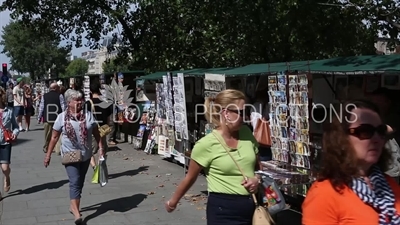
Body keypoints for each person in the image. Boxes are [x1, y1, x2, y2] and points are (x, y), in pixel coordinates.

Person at [165, 89, 261, 225]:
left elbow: (259, 168)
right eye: (241, 112)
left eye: (247, 112)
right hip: (223, 210)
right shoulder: (206, 144)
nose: (245, 117)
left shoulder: (246, 133)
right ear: (226, 113)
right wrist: (173, 202)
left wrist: (257, 179)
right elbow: (190, 177)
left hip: (253, 207)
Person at [302, 99, 400, 224]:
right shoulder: (324, 194)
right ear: (342, 138)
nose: (376, 139)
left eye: (380, 131)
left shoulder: (388, 185)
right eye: (365, 131)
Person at [43, 89, 104, 224]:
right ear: (69, 102)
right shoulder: (61, 117)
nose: (80, 102)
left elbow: (96, 132)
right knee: (75, 181)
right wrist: (48, 155)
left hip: (86, 155)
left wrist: (101, 148)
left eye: (81, 99)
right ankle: (76, 213)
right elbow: (53, 137)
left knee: (80, 183)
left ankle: (73, 206)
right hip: (69, 154)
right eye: (77, 100)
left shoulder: (88, 115)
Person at [85, 82, 111, 169]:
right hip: (103, 130)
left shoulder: (87, 104)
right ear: (99, 91)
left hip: (92, 130)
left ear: (90, 91)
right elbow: (108, 119)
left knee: (89, 151)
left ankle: (95, 167)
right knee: (102, 149)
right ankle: (101, 167)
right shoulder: (105, 103)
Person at [0, 87, 19, 196]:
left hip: (5, 142)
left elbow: (16, 127)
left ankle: (7, 177)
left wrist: (14, 133)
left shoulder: (9, 111)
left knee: (5, 168)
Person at [37, 83, 66, 153]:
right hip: (57, 118)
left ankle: (46, 147)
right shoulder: (60, 95)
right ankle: (57, 148)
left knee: (47, 134)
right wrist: (65, 116)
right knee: (57, 134)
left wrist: (39, 117)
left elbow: (41, 107)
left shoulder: (45, 96)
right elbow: (63, 107)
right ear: (55, 88)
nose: (59, 89)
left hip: (47, 118)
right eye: (58, 87)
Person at [250, 89, 271, 161]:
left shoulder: (254, 106)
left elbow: (253, 122)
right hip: (265, 136)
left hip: (256, 136)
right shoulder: (267, 105)